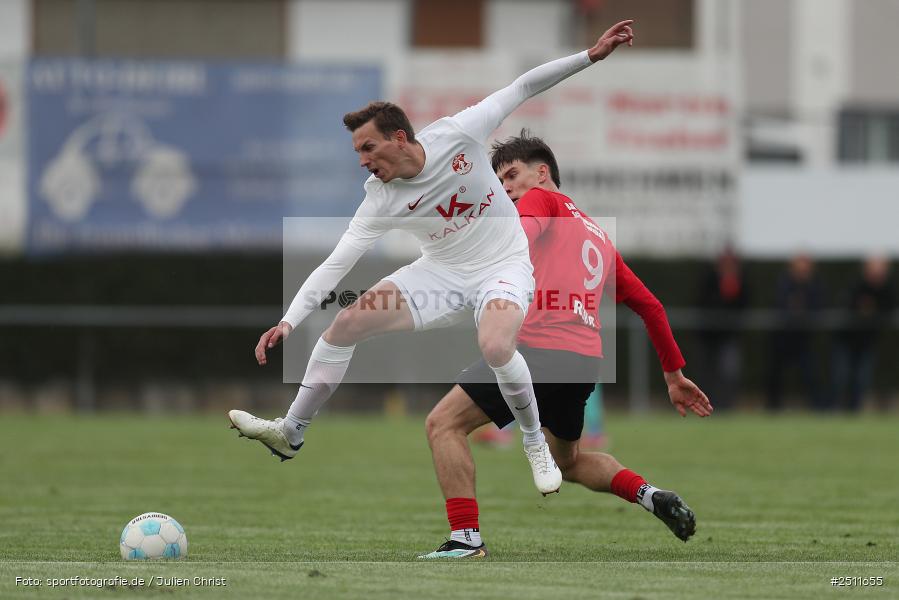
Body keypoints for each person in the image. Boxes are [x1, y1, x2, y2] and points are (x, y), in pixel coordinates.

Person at [228, 21, 637, 496]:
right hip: (440, 276)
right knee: (346, 323)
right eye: (357, 151)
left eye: (368, 147)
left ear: (400, 138)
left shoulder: (458, 134)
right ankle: (291, 431)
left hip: (503, 266)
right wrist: (289, 321)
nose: (362, 160)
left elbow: (523, 86)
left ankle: (533, 442)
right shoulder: (379, 199)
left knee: (496, 346)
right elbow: (336, 264)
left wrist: (589, 56)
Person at [419, 132, 712, 559]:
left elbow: (517, 236)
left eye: (512, 175)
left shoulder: (539, 200)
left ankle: (465, 539)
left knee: (442, 424)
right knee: (569, 462)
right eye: (500, 182)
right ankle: (651, 495)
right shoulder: (598, 236)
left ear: (542, 173)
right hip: (582, 362)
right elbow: (651, 306)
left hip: (538, 351)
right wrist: (674, 375)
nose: (506, 188)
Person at [832, 256, 894, 411]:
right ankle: (836, 408)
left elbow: (889, 308)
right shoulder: (856, 284)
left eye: (880, 271)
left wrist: (873, 309)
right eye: (874, 270)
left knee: (862, 378)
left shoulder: (887, 289)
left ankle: (855, 409)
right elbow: (845, 304)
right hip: (846, 339)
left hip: (867, 342)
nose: (877, 274)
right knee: (841, 376)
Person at [766, 254, 825, 411]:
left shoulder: (814, 284)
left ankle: (819, 408)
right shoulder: (783, 282)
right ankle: (772, 408)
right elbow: (779, 303)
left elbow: (818, 306)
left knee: (811, 375)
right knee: (775, 375)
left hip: (803, 340)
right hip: (782, 339)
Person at [696, 247, 749, 410]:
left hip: (729, 336)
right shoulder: (709, 279)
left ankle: (726, 406)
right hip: (708, 335)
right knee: (707, 372)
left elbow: (744, 305)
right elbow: (702, 302)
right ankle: (705, 404)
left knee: (729, 373)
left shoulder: (741, 281)